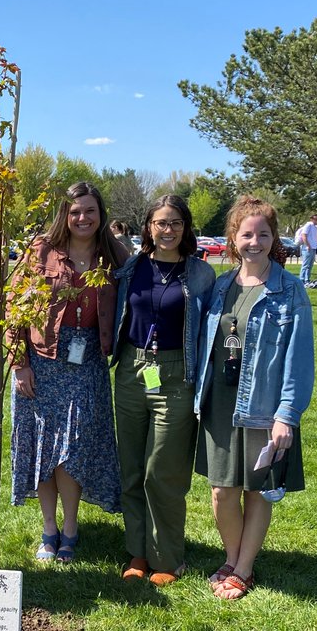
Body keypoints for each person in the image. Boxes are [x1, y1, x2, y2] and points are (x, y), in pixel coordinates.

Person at [194, 197, 314, 600]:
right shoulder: (221, 285)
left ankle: (243, 569)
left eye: (263, 234)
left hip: (265, 406)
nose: (255, 242)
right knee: (221, 490)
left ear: (273, 237)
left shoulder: (290, 291)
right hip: (220, 405)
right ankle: (231, 556)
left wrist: (287, 415)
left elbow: (299, 360)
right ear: (233, 237)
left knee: (257, 490)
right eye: (247, 234)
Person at [10, 181, 128, 562]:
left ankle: (71, 529)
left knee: (71, 449)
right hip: (42, 361)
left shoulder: (115, 255)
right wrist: (19, 364)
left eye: (90, 211)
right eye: (75, 211)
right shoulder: (41, 251)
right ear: (64, 214)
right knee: (45, 447)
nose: (82, 218)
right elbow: (14, 309)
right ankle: (49, 530)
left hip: (87, 362)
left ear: (100, 214)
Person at [112, 195, 215, 584]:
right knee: (133, 468)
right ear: (149, 228)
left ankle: (167, 557)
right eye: (160, 223)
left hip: (176, 374)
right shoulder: (130, 267)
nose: (167, 230)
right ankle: (137, 552)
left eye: (175, 223)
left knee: (164, 470)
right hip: (131, 371)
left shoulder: (200, 274)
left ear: (185, 228)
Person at [295, 213, 317, 284]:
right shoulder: (308, 225)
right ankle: (301, 279)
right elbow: (304, 235)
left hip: (314, 247)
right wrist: (308, 245)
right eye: (315, 219)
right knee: (305, 264)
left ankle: (307, 279)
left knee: (310, 265)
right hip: (307, 248)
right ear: (311, 219)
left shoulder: (315, 227)